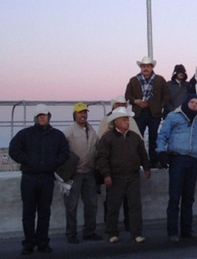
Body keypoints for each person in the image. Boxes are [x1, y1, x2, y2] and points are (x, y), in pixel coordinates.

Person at [9, 104, 69, 255]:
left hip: (47, 179)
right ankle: (29, 243)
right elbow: (13, 150)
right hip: (29, 179)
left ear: (49, 116)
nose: (42, 117)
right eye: (40, 115)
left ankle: (43, 242)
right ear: (35, 117)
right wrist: (27, 160)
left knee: (44, 213)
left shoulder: (57, 135)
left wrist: (53, 163)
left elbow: (65, 152)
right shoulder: (25, 134)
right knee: (28, 213)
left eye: (45, 115)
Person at [156, 94, 197, 242]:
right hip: (177, 159)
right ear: (186, 103)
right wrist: (161, 152)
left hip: (193, 160)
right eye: (192, 102)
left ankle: (187, 229)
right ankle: (173, 231)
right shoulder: (173, 116)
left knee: (189, 197)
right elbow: (162, 136)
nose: (195, 105)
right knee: (174, 197)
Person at [96, 107, 151, 243]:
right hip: (115, 177)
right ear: (116, 122)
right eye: (124, 119)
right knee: (113, 206)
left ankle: (136, 233)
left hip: (133, 176)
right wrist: (106, 175)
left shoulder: (135, 137)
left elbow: (143, 153)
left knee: (135, 206)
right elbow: (102, 158)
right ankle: (112, 233)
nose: (127, 121)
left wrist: (147, 168)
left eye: (127, 119)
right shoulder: (107, 138)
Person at [97, 95, 141, 231]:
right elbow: (100, 141)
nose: (122, 106)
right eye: (119, 104)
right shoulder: (107, 120)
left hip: (130, 169)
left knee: (131, 201)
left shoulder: (130, 120)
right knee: (112, 202)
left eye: (124, 104)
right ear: (113, 105)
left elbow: (138, 140)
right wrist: (105, 171)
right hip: (113, 169)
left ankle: (130, 225)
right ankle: (111, 228)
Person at [63, 103, 102, 243]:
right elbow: (61, 151)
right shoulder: (68, 132)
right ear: (75, 115)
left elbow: (98, 148)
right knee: (71, 205)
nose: (83, 115)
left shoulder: (91, 130)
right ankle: (71, 234)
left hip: (89, 173)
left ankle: (89, 231)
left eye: (85, 112)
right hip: (74, 174)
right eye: (80, 113)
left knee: (92, 204)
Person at [125, 56, 170, 168]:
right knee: (138, 138)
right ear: (141, 67)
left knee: (153, 138)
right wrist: (136, 101)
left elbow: (166, 95)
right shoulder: (133, 80)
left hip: (154, 114)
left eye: (148, 66)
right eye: (144, 66)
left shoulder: (160, 80)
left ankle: (154, 161)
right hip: (139, 113)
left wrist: (159, 106)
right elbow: (127, 96)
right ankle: (139, 160)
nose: (146, 68)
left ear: (152, 67)